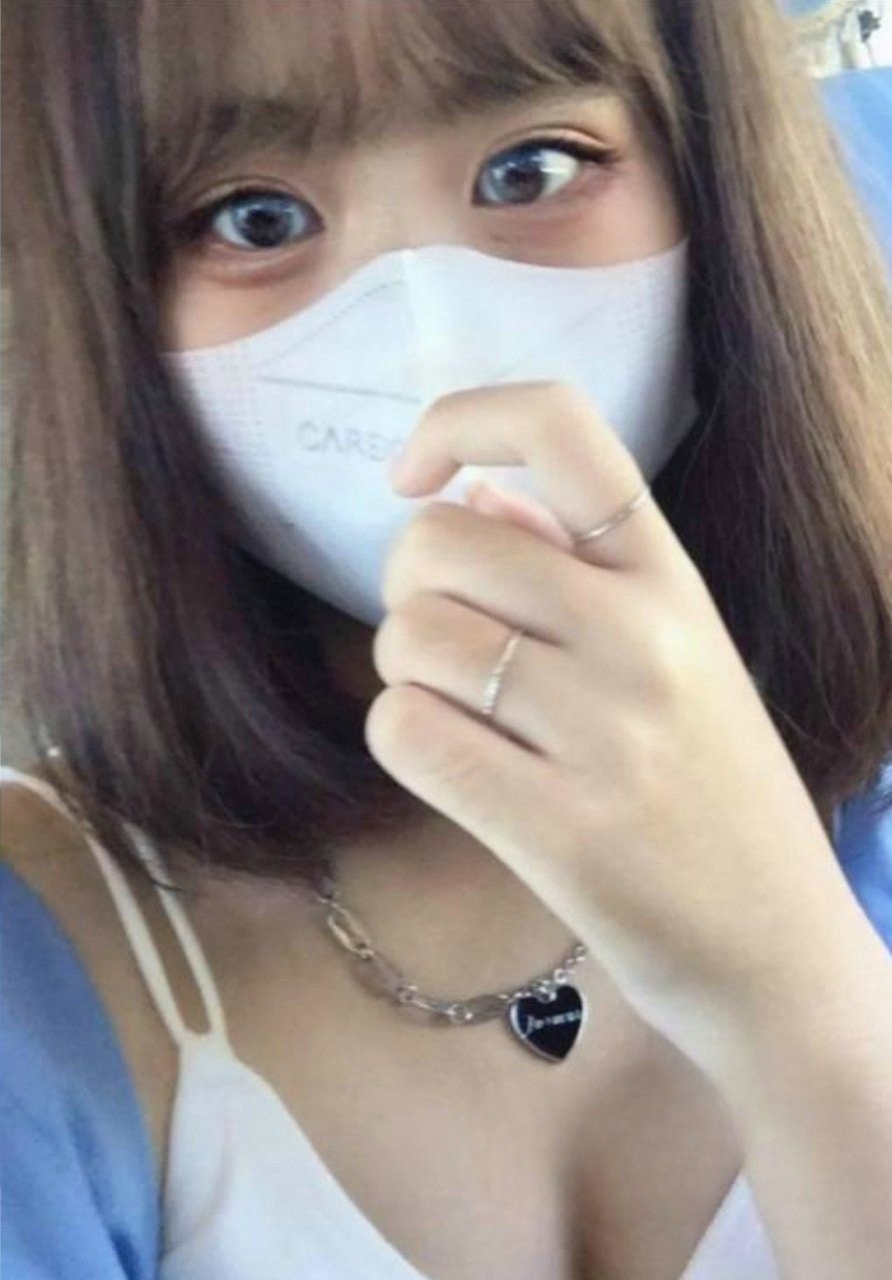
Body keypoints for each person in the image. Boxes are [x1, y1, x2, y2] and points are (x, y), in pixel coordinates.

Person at [2, 1, 891, 1278]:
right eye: (255, 219)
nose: (436, 352)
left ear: (713, 178)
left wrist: (799, 994)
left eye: (533, 167)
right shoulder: (35, 972)